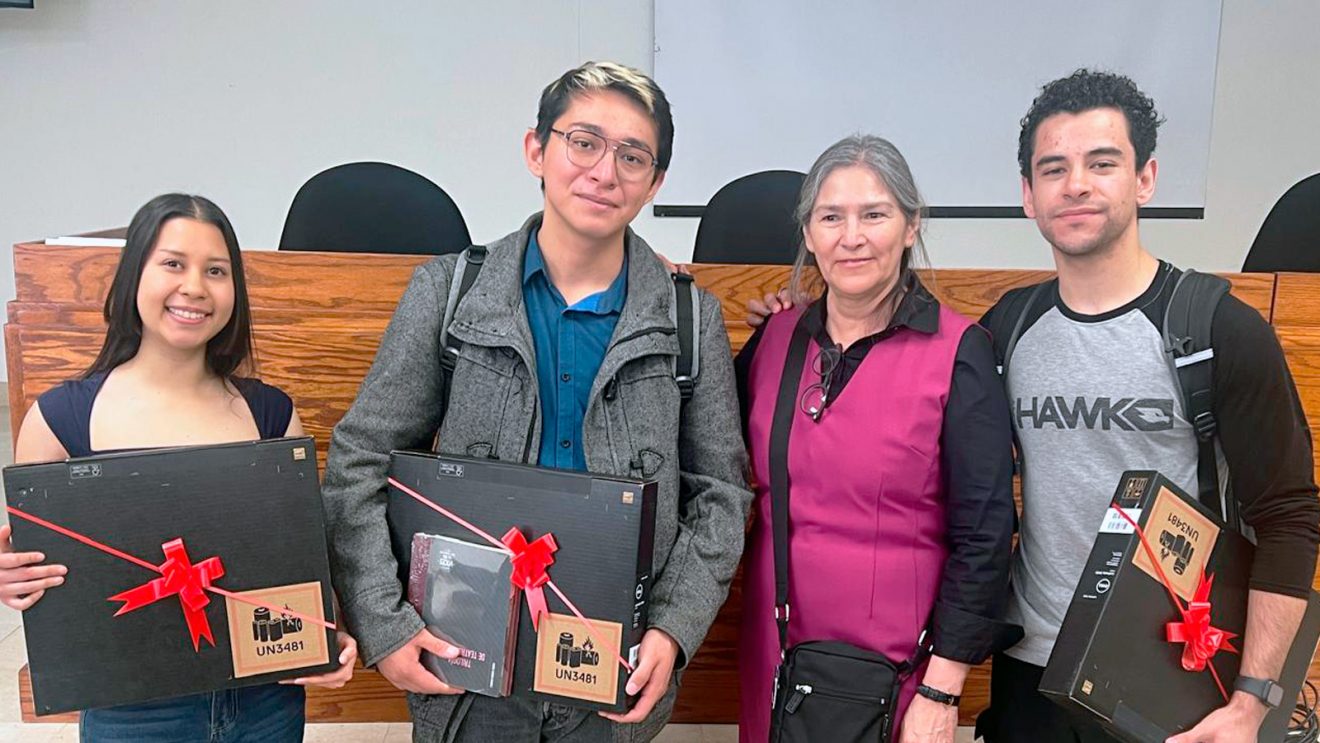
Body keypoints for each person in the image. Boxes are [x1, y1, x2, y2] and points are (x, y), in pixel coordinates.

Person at [320, 61, 752, 742]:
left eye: (632, 156)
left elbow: (721, 494)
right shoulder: (451, 293)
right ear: (536, 150)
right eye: (584, 142)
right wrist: (383, 621)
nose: (604, 172)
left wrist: (674, 628)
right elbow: (359, 461)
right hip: (467, 667)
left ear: (655, 182)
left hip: (611, 674)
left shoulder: (690, 319)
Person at [974, 69, 1320, 743]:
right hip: (1030, 678)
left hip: (1169, 678)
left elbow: (1289, 517)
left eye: (1103, 163)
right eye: (1054, 169)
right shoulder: (1007, 328)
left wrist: (1251, 701)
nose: (1076, 184)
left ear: (1145, 179)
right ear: (1028, 196)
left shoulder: (1217, 329)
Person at [0, 193, 358, 742]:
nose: (194, 287)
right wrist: (12, 575)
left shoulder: (271, 414)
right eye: (172, 263)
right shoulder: (59, 418)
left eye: (216, 270)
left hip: (264, 701)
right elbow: (31, 565)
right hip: (130, 710)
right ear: (133, 276)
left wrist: (330, 634)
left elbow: (302, 554)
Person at [735, 134, 1020, 743]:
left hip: (898, 677)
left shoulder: (960, 354)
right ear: (808, 233)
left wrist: (943, 690)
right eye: (831, 217)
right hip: (776, 659)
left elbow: (985, 534)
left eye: (874, 215)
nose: (852, 236)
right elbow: (709, 461)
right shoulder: (773, 341)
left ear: (911, 226)